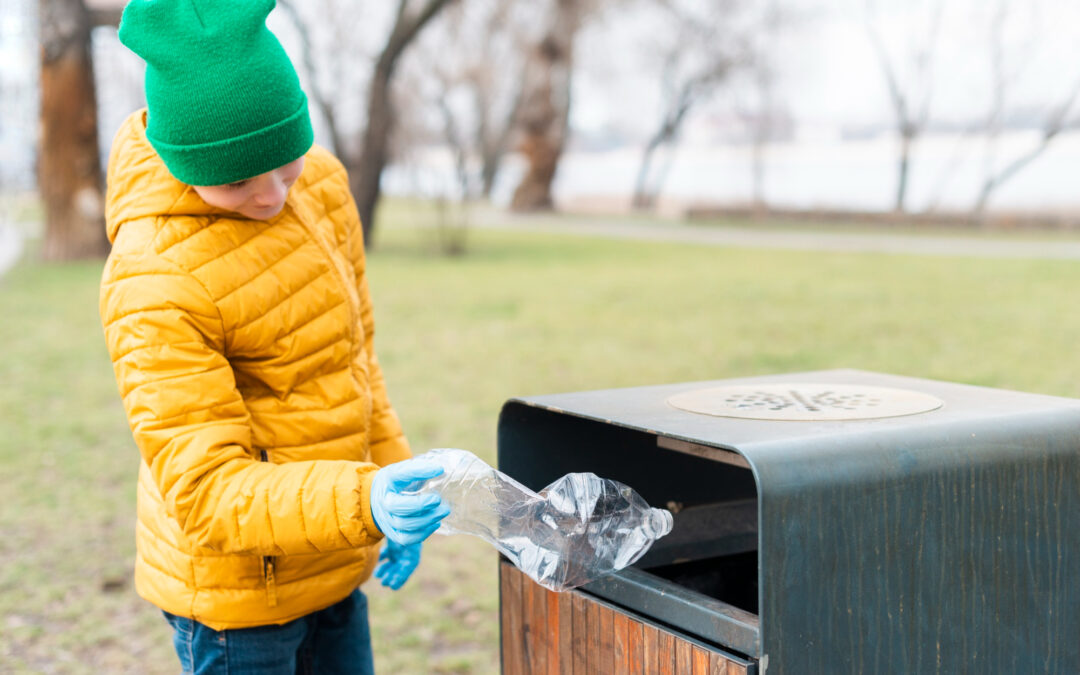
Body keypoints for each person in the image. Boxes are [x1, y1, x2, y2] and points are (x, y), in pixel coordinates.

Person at [99, 1, 448, 672]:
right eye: (236, 180)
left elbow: (355, 363)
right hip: (240, 604)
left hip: (336, 555)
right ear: (182, 160)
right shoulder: (153, 276)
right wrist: (365, 499)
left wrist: (395, 480)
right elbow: (206, 490)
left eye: (285, 163)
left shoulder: (323, 186)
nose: (271, 196)